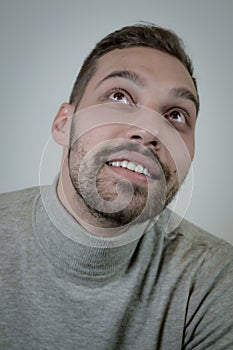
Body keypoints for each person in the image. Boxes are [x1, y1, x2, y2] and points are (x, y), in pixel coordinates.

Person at [0, 23, 232, 350]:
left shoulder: (214, 280)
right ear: (64, 124)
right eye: (119, 96)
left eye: (177, 115)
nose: (150, 130)